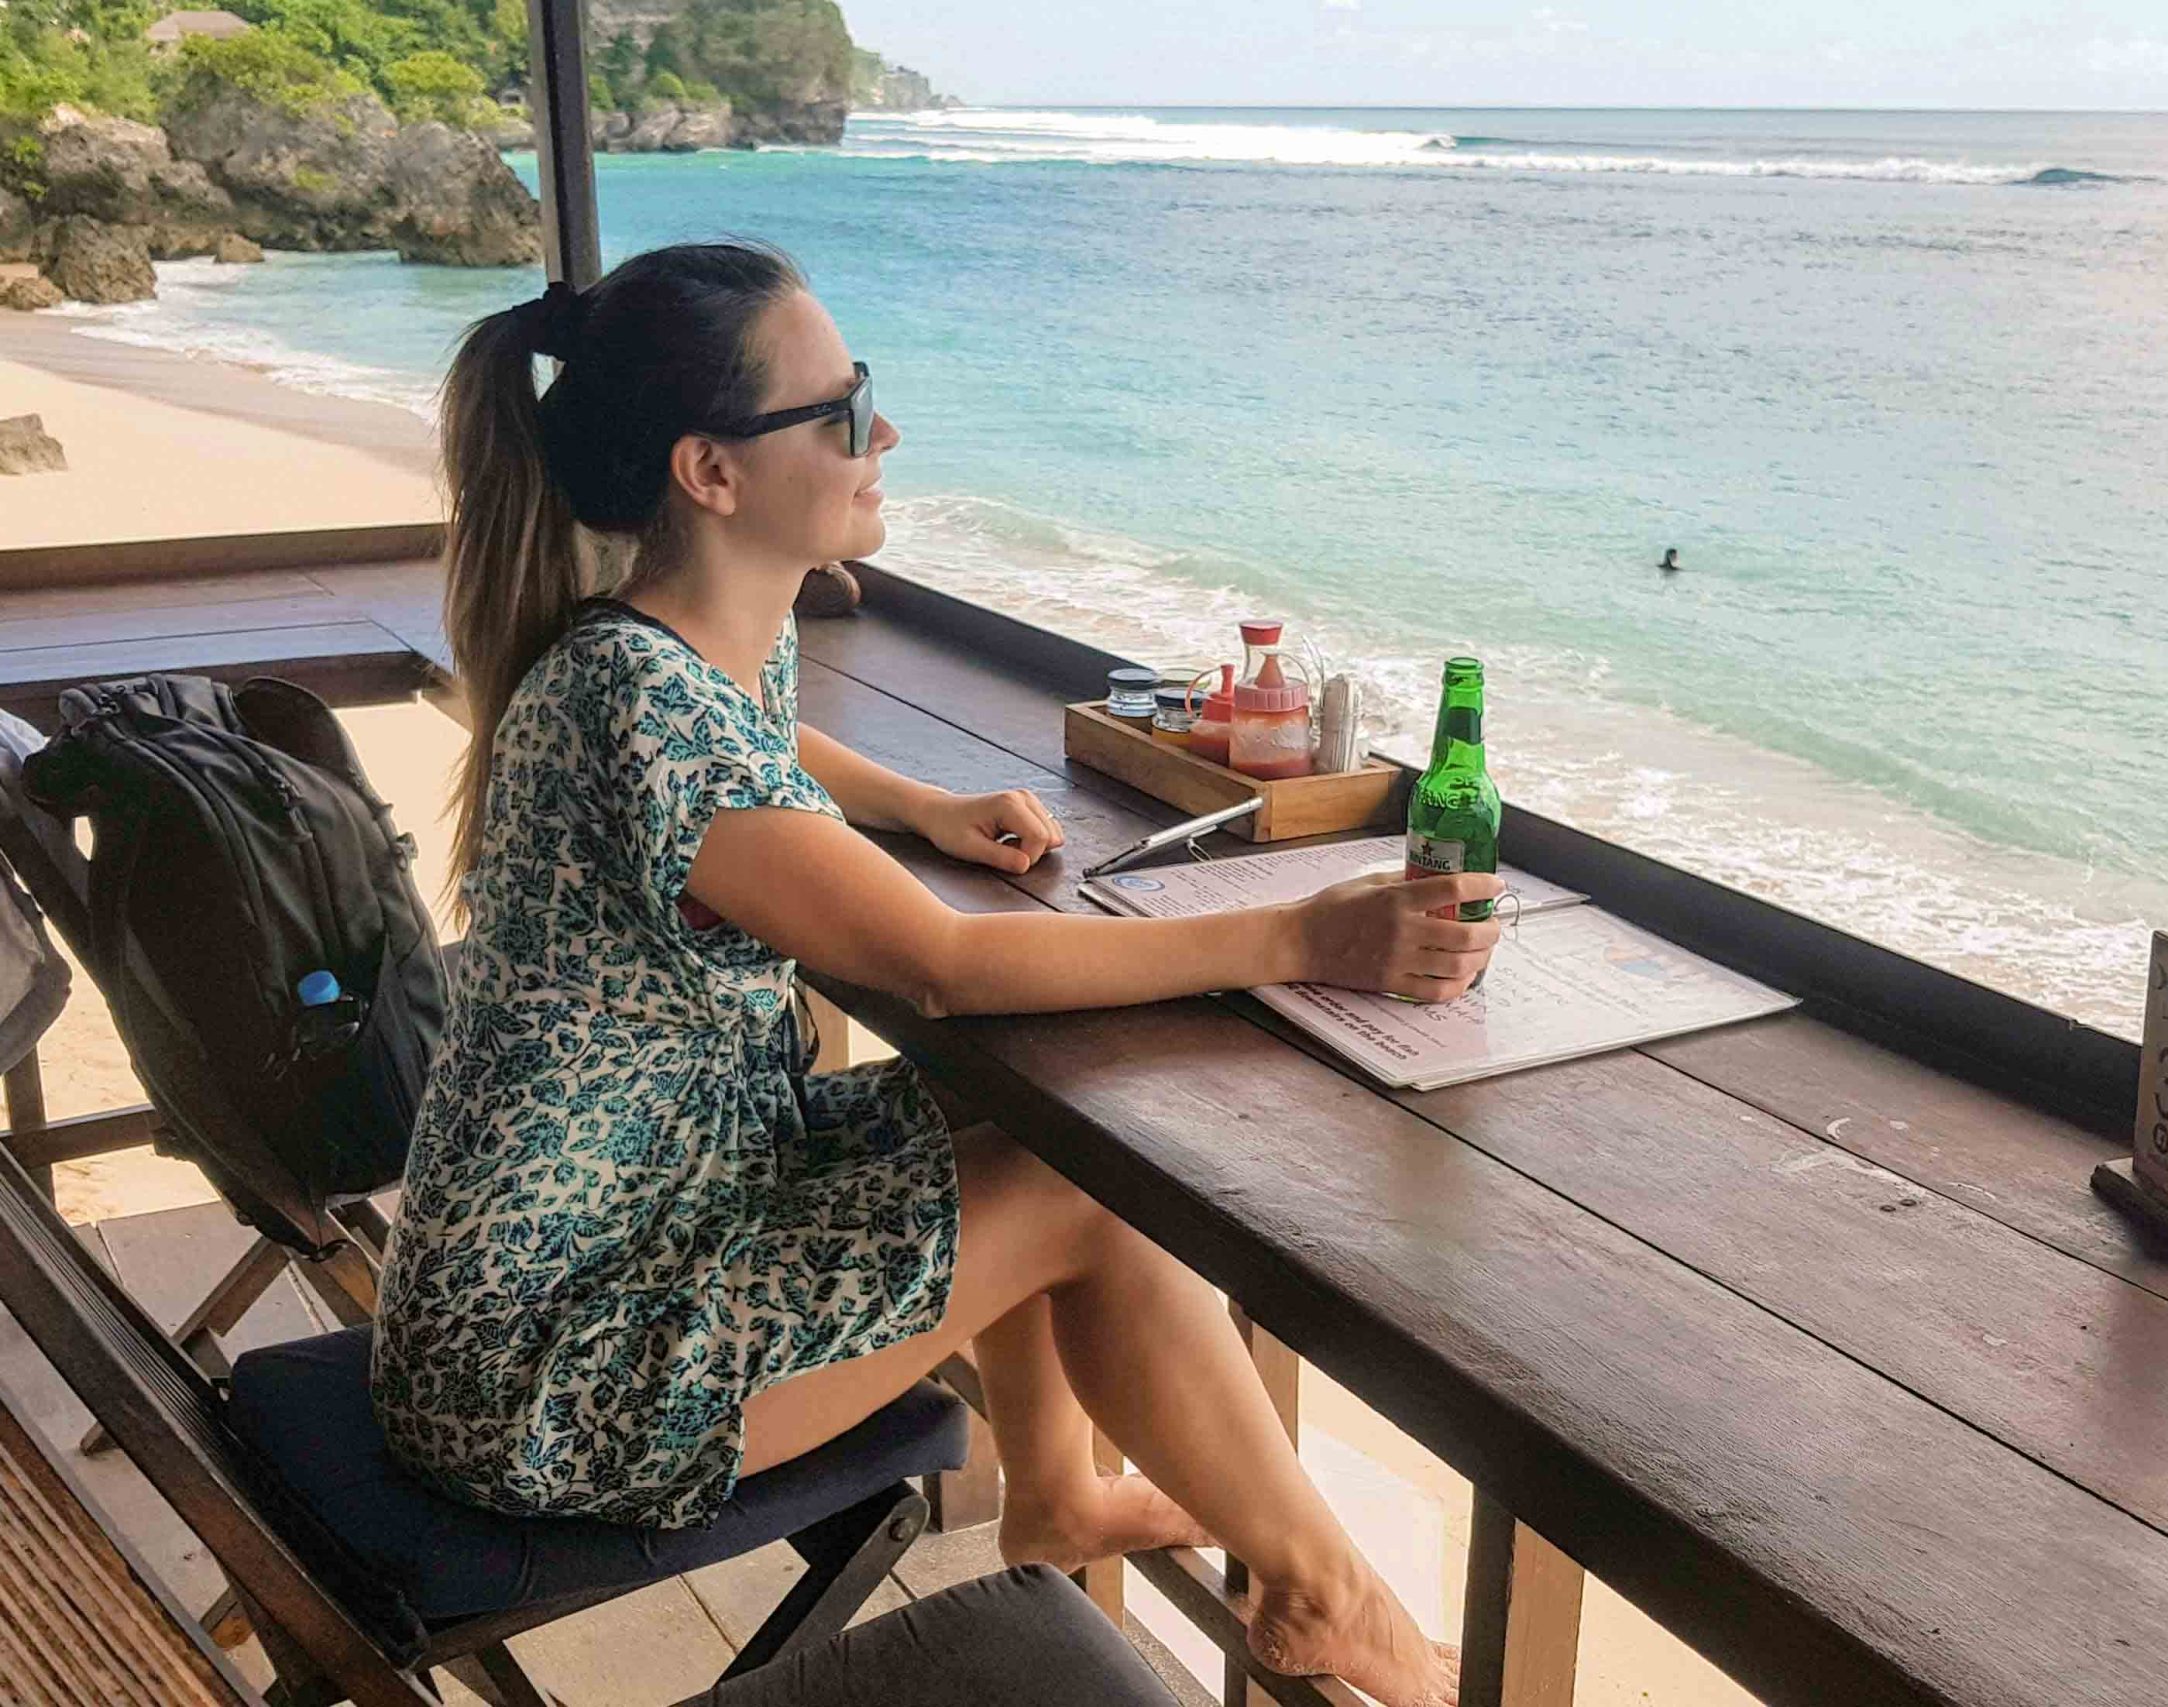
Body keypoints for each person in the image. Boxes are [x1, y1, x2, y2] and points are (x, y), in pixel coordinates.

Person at [370, 242, 1490, 1707]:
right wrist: (1300, 937)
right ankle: (1322, 1591)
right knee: (1086, 1183)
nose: (881, 435)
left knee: (1060, 1139)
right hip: (547, 1366)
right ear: (710, 471)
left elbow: (763, 750)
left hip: (636, 1218)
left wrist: (913, 805)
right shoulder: (637, 707)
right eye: (842, 410)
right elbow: (945, 966)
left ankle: (1061, 1497)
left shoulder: (662, 642)